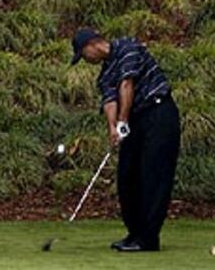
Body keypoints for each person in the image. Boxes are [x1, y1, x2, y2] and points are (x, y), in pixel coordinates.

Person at [70, 28, 180, 253]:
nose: (86, 60)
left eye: (83, 55)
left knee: (153, 176)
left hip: (158, 113)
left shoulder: (127, 47)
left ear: (93, 45)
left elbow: (126, 84)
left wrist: (122, 121)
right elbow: (110, 100)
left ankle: (148, 239)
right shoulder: (104, 74)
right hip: (135, 120)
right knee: (127, 177)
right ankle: (135, 233)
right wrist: (113, 128)